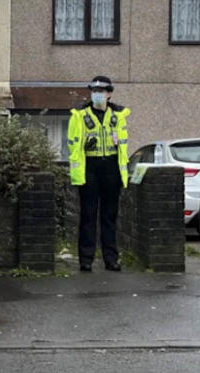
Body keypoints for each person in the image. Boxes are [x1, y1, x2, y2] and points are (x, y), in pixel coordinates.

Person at [68, 76, 130, 272]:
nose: (97, 95)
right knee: (88, 216)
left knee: (109, 216)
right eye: (94, 91)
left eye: (101, 91)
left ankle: (111, 259)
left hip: (111, 166)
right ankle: (86, 260)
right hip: (90, 167)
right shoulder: (80, 115)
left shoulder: (118, 115)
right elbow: (73, 144)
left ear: (109, 94)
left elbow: (122, 145)